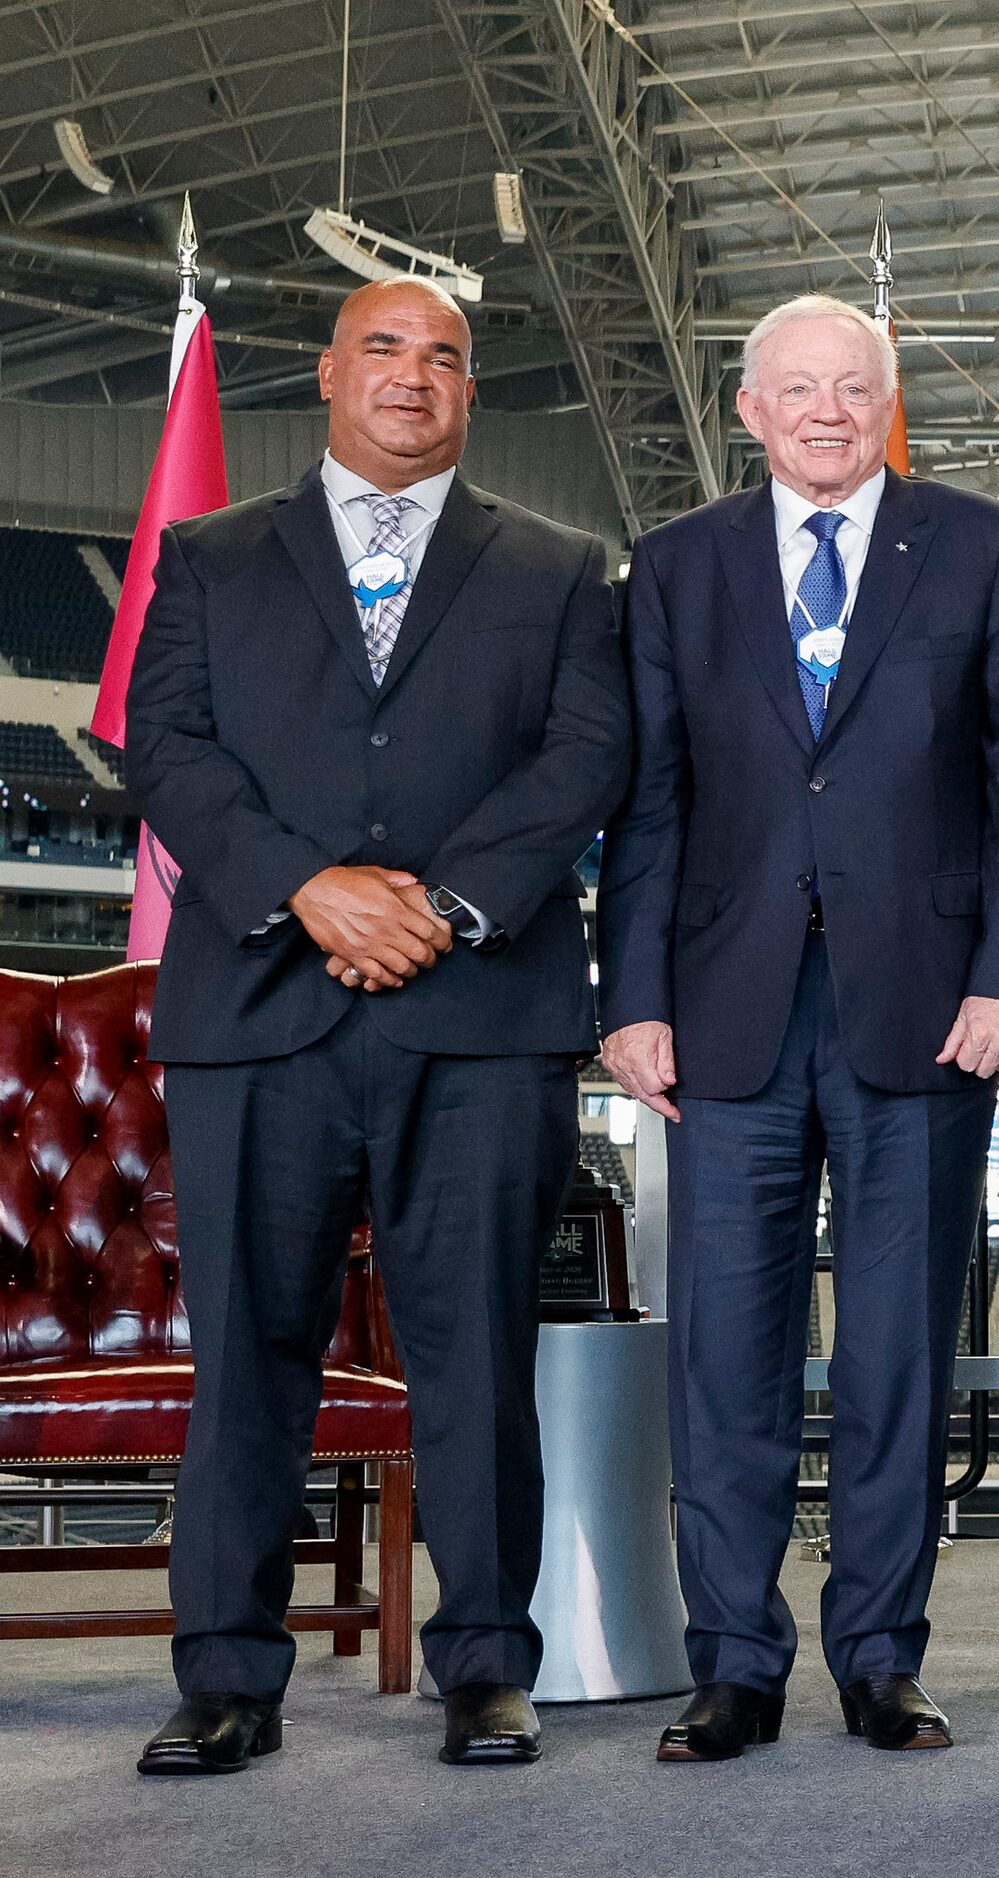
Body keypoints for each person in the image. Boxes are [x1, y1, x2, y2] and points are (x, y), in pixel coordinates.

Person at [123, 278, 632, 1774]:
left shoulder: (557, 566)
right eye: (387, 350)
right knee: (252, 1356)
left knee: (475, 1351)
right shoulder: (208, 556)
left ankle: (486, 1664)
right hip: (257, 1012)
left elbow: (586, 754)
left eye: (448, 360)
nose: (416, 378)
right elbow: (164, 744)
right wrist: (309, 889)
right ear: (330, 372)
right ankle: (226, 1674)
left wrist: (444, 905)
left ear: (472, 394)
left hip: (479, 1016)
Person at [597, 294, 999, 1762]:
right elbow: (651, 797)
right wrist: (633, 999)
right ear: (748, 410)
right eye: (794, 389)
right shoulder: (676, 568)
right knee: (724, 1363)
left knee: (894, 1358)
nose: (823, 411)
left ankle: (880, 1654)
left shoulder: (983, 548)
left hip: (928, 1018)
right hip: (723, 1020)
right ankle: (732, 1661)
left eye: (850, 388)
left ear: (886, 402)